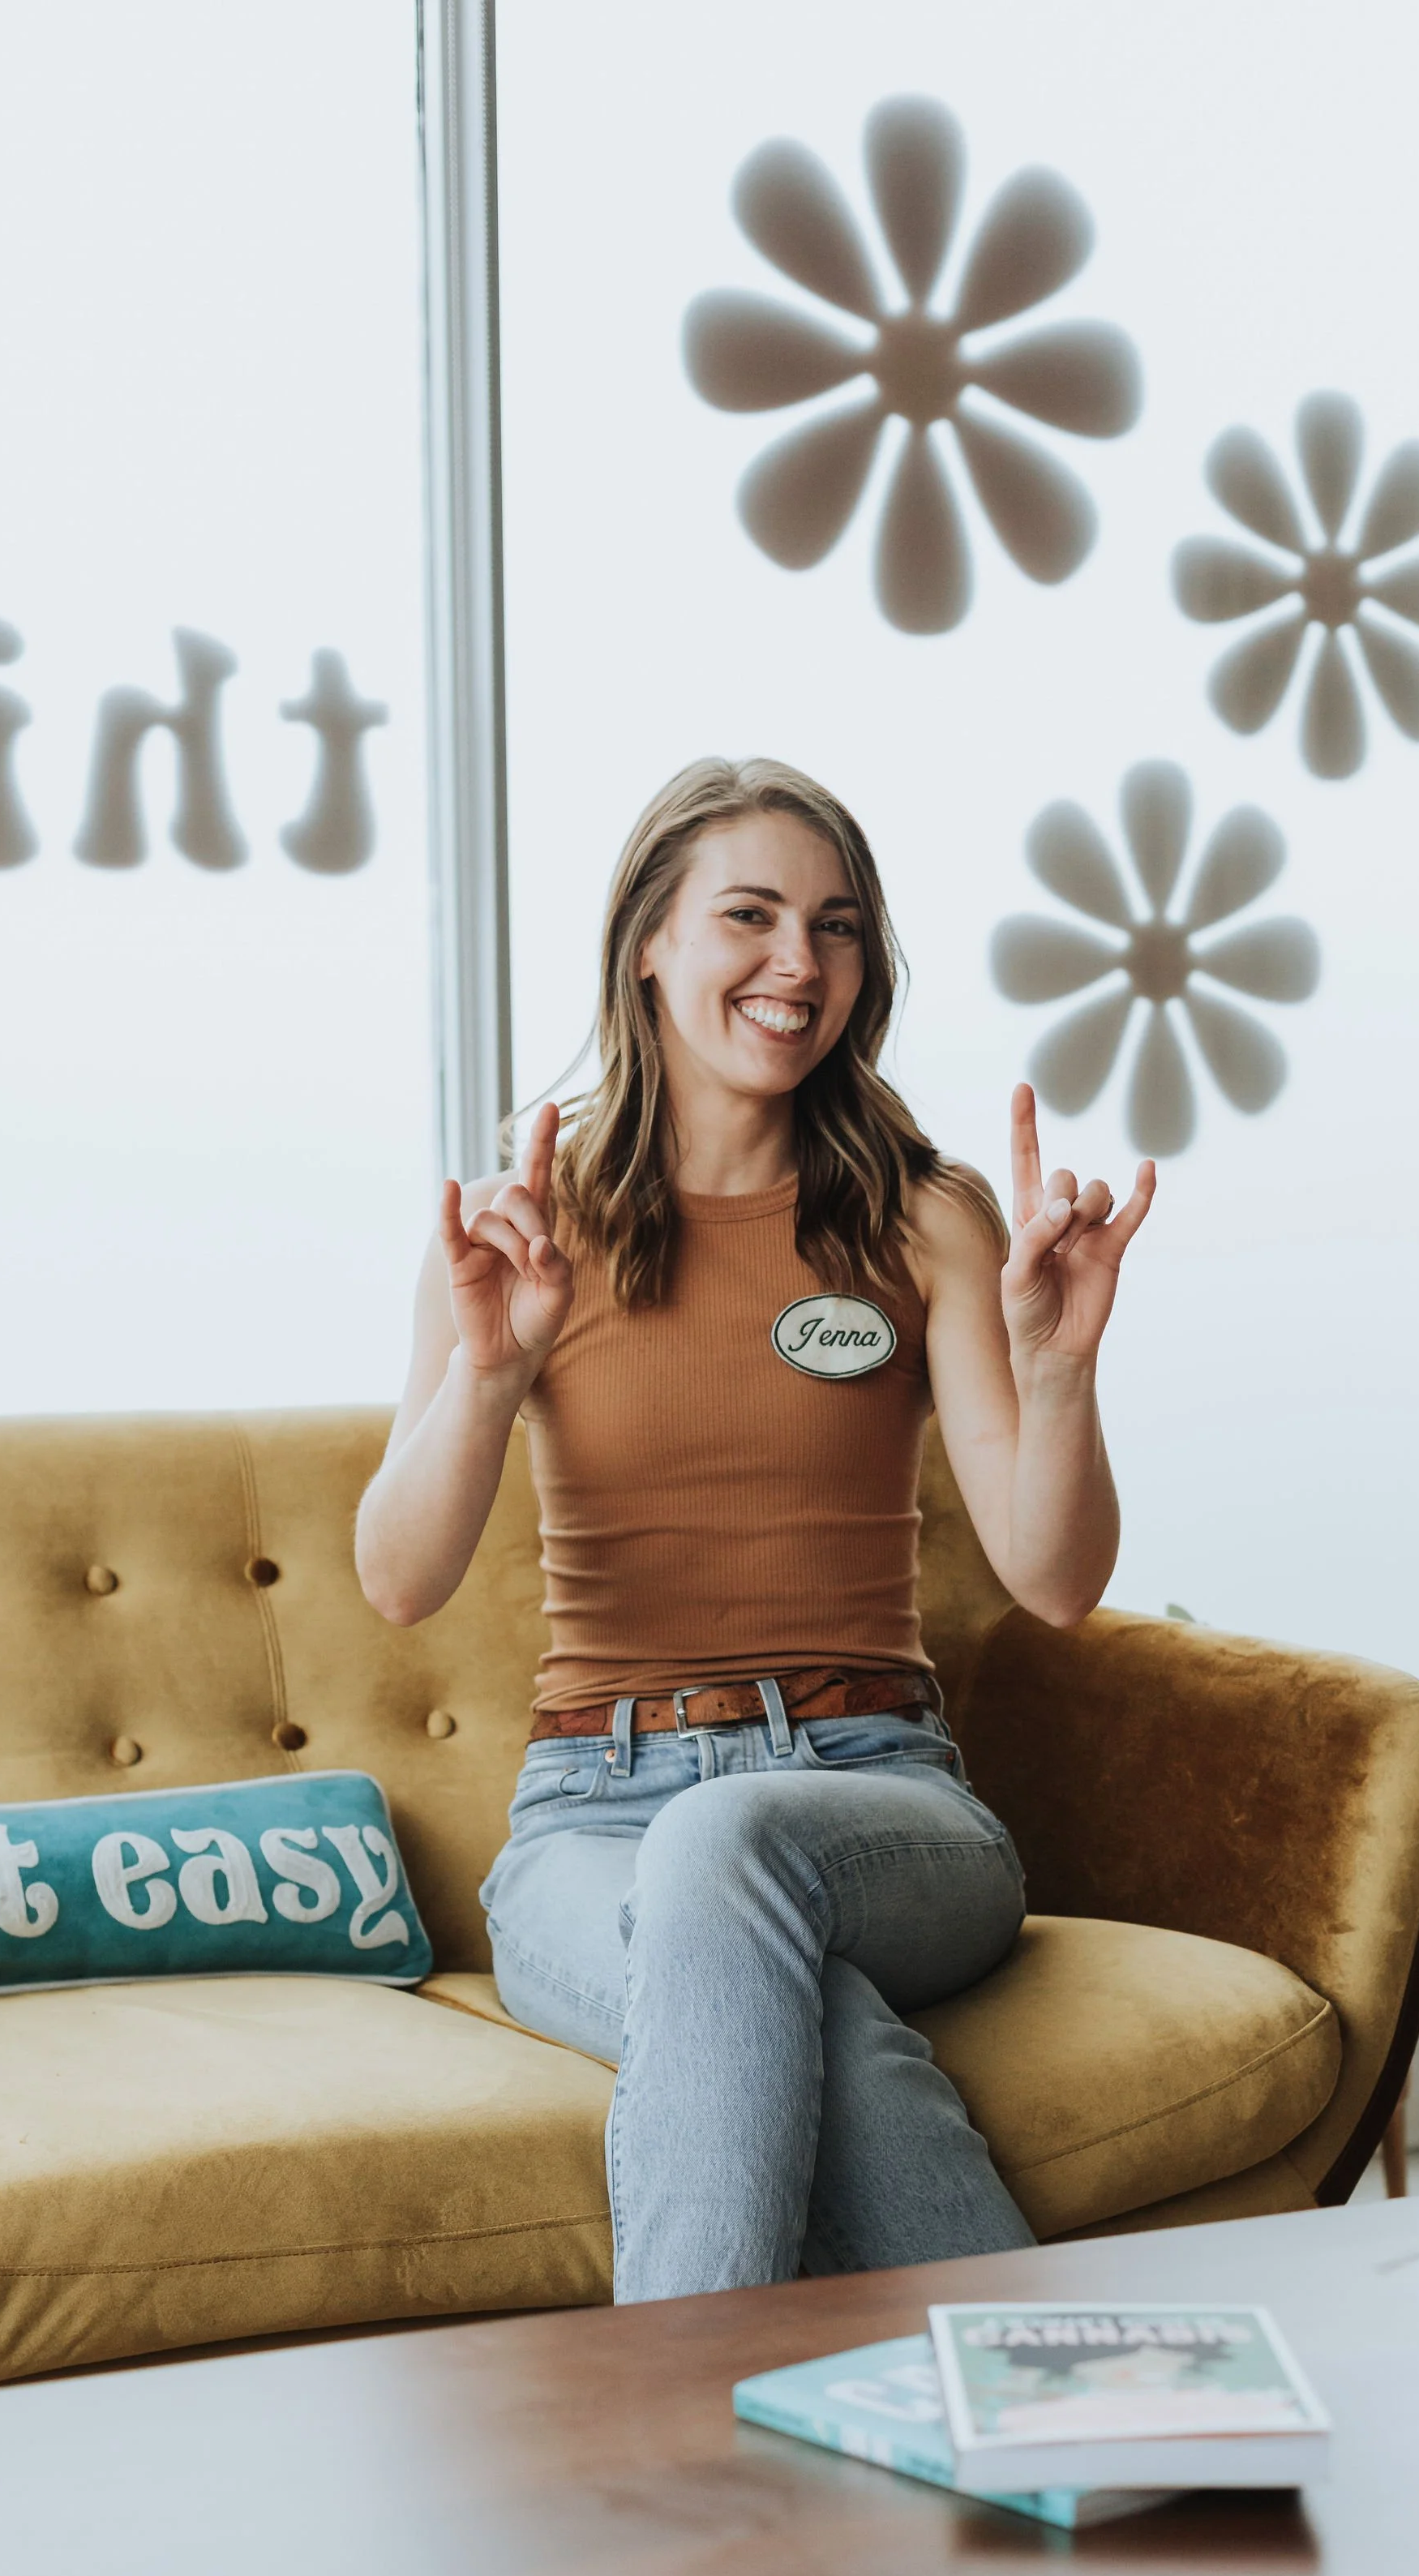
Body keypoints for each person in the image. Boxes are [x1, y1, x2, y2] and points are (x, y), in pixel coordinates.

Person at [356, 758, 1154, 2303]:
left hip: (881, 1801)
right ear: (648, 942)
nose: (801, 965)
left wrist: (1059, 1372)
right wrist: (492, 1369)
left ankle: (669, 2459)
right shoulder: (526, 1226)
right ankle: (1062, 2403)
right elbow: (400, 1577)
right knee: (814, 2026)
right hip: (592, 1818)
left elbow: (1054, 1580)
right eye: (752, 916)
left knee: (729, 1848)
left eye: (837, 927)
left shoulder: (925, 1219)